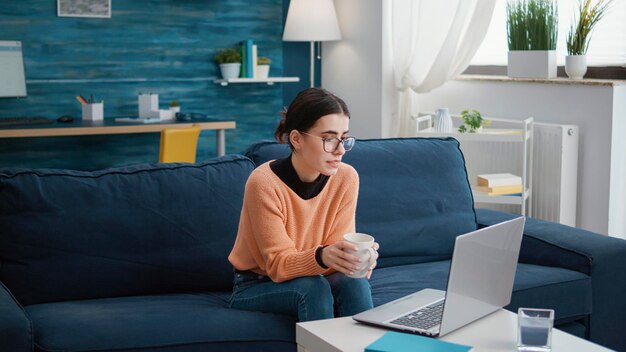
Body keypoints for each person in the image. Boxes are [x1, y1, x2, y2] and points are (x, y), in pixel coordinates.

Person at [228, 87, 379, 322]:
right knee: (313, 287)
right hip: (257, 284)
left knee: (354, 282)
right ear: (296, 138)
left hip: (316, 274)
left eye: (344, 138)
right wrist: (324, 257)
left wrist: (354, 259)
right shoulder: (264, 182)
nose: (340, 150)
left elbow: (335, 248)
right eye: (329, 139)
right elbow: (278, 265)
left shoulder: (346, 177)